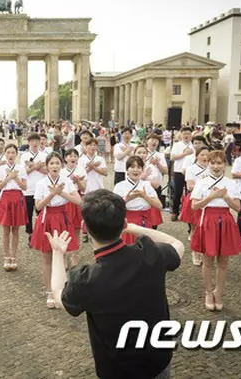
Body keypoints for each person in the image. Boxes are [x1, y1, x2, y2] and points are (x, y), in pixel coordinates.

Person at [48, 189, 184, 379]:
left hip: (116, 370)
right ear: (124, 222)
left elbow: (58, 293)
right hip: (157, 361)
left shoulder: (86, 279)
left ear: (84, 227)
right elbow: (177, 244)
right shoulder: (149, 254)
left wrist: (57, 252)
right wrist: (133, 228)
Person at [191, 150, 241, 311]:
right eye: (212, 163)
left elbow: (237, 207)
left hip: (225, 220)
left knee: (223, 262)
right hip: (208, 220)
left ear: (224, 165)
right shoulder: (202, 182)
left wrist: (226, 197)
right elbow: (194, 205)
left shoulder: (231, 183)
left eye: (219, 163)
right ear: (208, 164)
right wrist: (210, 198)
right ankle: (208, 291)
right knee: (207, 260)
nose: (215, 166)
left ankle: (218, 292)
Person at [31, 152, 82, 309]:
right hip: (47, 217)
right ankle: (49, 291)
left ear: (61, 165)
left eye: (57, 163)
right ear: (47, 166)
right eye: (51, 163)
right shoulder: (41, 183)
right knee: (47, 256)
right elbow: (38, 207)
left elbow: (79, 201)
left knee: (62, 254)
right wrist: (52, 194)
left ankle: (63, 289)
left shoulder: (66, 181)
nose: (54, 166)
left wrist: (62, 193)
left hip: (62, 217)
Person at [113, 155, 162, 246]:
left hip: (144, 220)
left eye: (139, 167)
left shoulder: (147, 185)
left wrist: (145, 196)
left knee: (145, 249)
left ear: (142, 170)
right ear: (127, 170)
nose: (135, 170)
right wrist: (127, 199)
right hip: (127, 221)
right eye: (132, 167)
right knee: (128, 249)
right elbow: (114, 208)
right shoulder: (119, 186)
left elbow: (159, 205)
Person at [0, 143, 28, 271]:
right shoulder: (0, 169)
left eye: (13, 152)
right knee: (6, 230)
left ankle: (14, 255)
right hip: (5, 198)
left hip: (18, 197)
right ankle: (6, 256)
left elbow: (24, 187)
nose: (10, 155)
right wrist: (8, 178)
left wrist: (16, 177)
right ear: (5, 154)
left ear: (16, 154)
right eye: (8, 152)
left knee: (16, 230)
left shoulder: (21, 168)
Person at [180, 146, 210, 265]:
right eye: (202, 154)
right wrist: (202, 182)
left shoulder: (212, 168)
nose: (205, 157)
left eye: (207, 155)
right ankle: (195, 252)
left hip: (209, 200)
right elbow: (190, 186)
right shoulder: (191, 168)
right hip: (195, 199)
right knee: (195, 227)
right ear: (197, 156)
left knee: (205, 227)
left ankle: (204, 250)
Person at [20, 133, 48, 245]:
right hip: (28, 189)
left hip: (42, 189)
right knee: (28, 213)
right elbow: (23, 173)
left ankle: (41, 233)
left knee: (41, 213)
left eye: (37, 140)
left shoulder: (44, 155)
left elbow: (47, 171)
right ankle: (30, 234)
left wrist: (33, 166)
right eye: (32, 141)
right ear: (29, 142)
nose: (35, 143)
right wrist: (36, 166)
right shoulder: (24, 156)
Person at [61, 148, 86, 266]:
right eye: (70, 156)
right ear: (65, 158)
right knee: (65, 229)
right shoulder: (61, 171)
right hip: (65, 200)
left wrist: (77, 181)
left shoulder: (81, 170)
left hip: (77, 199)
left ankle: (74, 255)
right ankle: (64, 256)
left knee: (76, 229)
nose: (72, 158)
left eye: (75, 156)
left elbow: (83, 188)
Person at [169, 127, 194, 221]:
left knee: (190, 193)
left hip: (191, 173)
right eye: (184, 134)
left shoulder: (194, 145)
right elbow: (172, 157)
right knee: (177, 192)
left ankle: (188, 213)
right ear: (181, 135)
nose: (186, 136)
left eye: (188, 134)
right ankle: (175, 211)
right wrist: (184, 154)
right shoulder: (177, 145)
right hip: (179, 171)